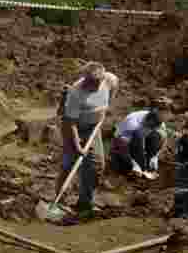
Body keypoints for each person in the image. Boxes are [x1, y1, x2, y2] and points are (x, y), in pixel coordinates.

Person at [56, 62, 119, 218]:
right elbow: (70, 122)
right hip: (73, 127)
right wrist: (78, 146)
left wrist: (107, 105)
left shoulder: (109, 80)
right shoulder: (76, 93)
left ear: (102, 79)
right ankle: (59, 201)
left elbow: (115, 86)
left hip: (93, 127)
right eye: (88, 82)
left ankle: (85, 201)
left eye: (94, 83)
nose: (90, 85)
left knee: (97, 164)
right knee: (70, 163)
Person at [110, 106, 167, 179]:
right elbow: (120, 145)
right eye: (147, 126)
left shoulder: (159, 124)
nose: (148, 130)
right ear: (144, 120)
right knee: (138, 136)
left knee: (155, 137)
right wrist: (134, 163)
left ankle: (148, 163)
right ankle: (139, 166)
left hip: (139, 136)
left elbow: (164, 140)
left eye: (152, 128)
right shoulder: (132, 124)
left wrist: (155, 156)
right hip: (121, 142)